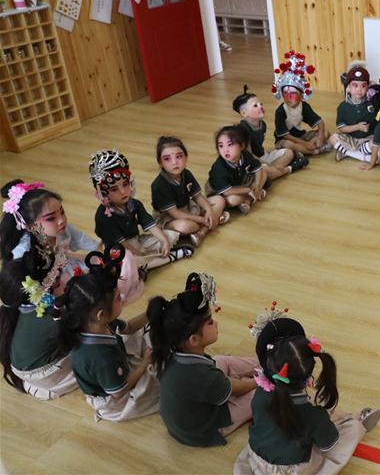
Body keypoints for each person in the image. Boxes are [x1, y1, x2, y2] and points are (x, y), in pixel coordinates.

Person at [234, 310, 380, 474]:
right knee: (349, 430)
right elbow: (328, 443)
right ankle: (358, 423)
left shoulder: (260, 395)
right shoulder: (312, 415)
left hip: (257, 460)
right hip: (290, 470)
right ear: (308, 376)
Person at [147, 272, 257, 447]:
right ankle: (268, 374)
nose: (217, 324)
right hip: (202, 429)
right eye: (210, 322)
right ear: (193, 340)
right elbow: (238, 388)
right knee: (258, 395)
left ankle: (265, 363)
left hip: (189, 413)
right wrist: (258, 381)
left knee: (222, 360)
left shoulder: (174, 352)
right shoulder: (201, 376)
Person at [55, 245, 160, 421]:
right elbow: (120, 392)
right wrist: (145, 363)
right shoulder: (101, 357)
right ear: (101, 314)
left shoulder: (94, 324)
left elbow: (130, 327)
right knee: (165, 380)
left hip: (116, 370)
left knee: (150, 337)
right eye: (119, 297)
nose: (124, 299)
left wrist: (150, 313)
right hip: (114, 402)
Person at [0, 181, 77, 399]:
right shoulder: (23, 257)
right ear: (30, 224)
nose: (61, 220)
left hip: (45, 294)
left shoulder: (40, 237)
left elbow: (57, 263)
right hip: (40, 303)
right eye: (51, 218)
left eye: (61, 211)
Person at [90, 149, 193, 279]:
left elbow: (150, 225)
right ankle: (170, 257)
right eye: (114, 189)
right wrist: (140, 254)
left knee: (169, 235)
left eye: (125, 184)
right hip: (119, 250)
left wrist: (164, 241)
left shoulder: (134, 204)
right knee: (126, 262)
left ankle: (147, 265)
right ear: (103, 193)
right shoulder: (103, 216)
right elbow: (123, 245)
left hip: (138, 242)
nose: (123, 192)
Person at [151, 136, 230, 247]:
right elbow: (175, 213)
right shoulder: (159, 185)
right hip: (169, 218)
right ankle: (211, 223)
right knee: (186, 226)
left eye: (179, 156)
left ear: (186, 157)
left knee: (219, 199)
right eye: (167, 159)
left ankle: (202, 231)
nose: (174, 162)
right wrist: (202, 219)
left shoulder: (186, 173)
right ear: (160, 162)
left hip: (188, 208)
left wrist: (209, 210)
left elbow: (197, 196)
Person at [234, 87, 307, 179]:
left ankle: (273, 172)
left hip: (262, 156)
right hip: (249, 163)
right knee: (264, 170)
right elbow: (248, 155)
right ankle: (289, 168)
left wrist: (267, 161)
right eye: (255, 106)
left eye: (261, 104)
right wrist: (265, 164)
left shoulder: (262, 124)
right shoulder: (243, 129)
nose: (260, 106)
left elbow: (259, 148)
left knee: (289, 153)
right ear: (244, 113)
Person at [271, 50, 332, 157]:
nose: (288, 97)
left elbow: (320, 122)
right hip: (285, 140)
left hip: (300, 136)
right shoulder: (280, 111)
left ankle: (303, 151)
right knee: (290, 144)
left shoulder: (304, 106)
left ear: (302, 95)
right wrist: (305, 143)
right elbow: (285, 136)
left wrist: (321, 137)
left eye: (293, 93)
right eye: (285, 93)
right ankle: (313, 151)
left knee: (326, 133)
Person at [207, 126, 269, 215]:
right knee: (233, 200)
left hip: (240, 182)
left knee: (264, 174)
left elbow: (258, 168)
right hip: (223, 191)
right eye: (221, 146)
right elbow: (226, 191)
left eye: (230, 144)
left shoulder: (245, 155)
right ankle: (249, 198)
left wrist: (257, 185)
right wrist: (248, 190)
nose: (225, 150)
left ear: (242, 146)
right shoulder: (219, 168)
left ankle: (249, 199)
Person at [328, 61, 377, 164]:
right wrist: (357, 127)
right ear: (348, 88)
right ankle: (361, 156)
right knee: (332, 138)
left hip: (367, 139)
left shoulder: (371, 103)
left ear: (368, 87)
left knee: (378, 142)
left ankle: (347, 152)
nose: (359, 89)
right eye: (355, 85)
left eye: (363, 86)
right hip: (351, 138)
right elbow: (341, 128)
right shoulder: (343, 106)